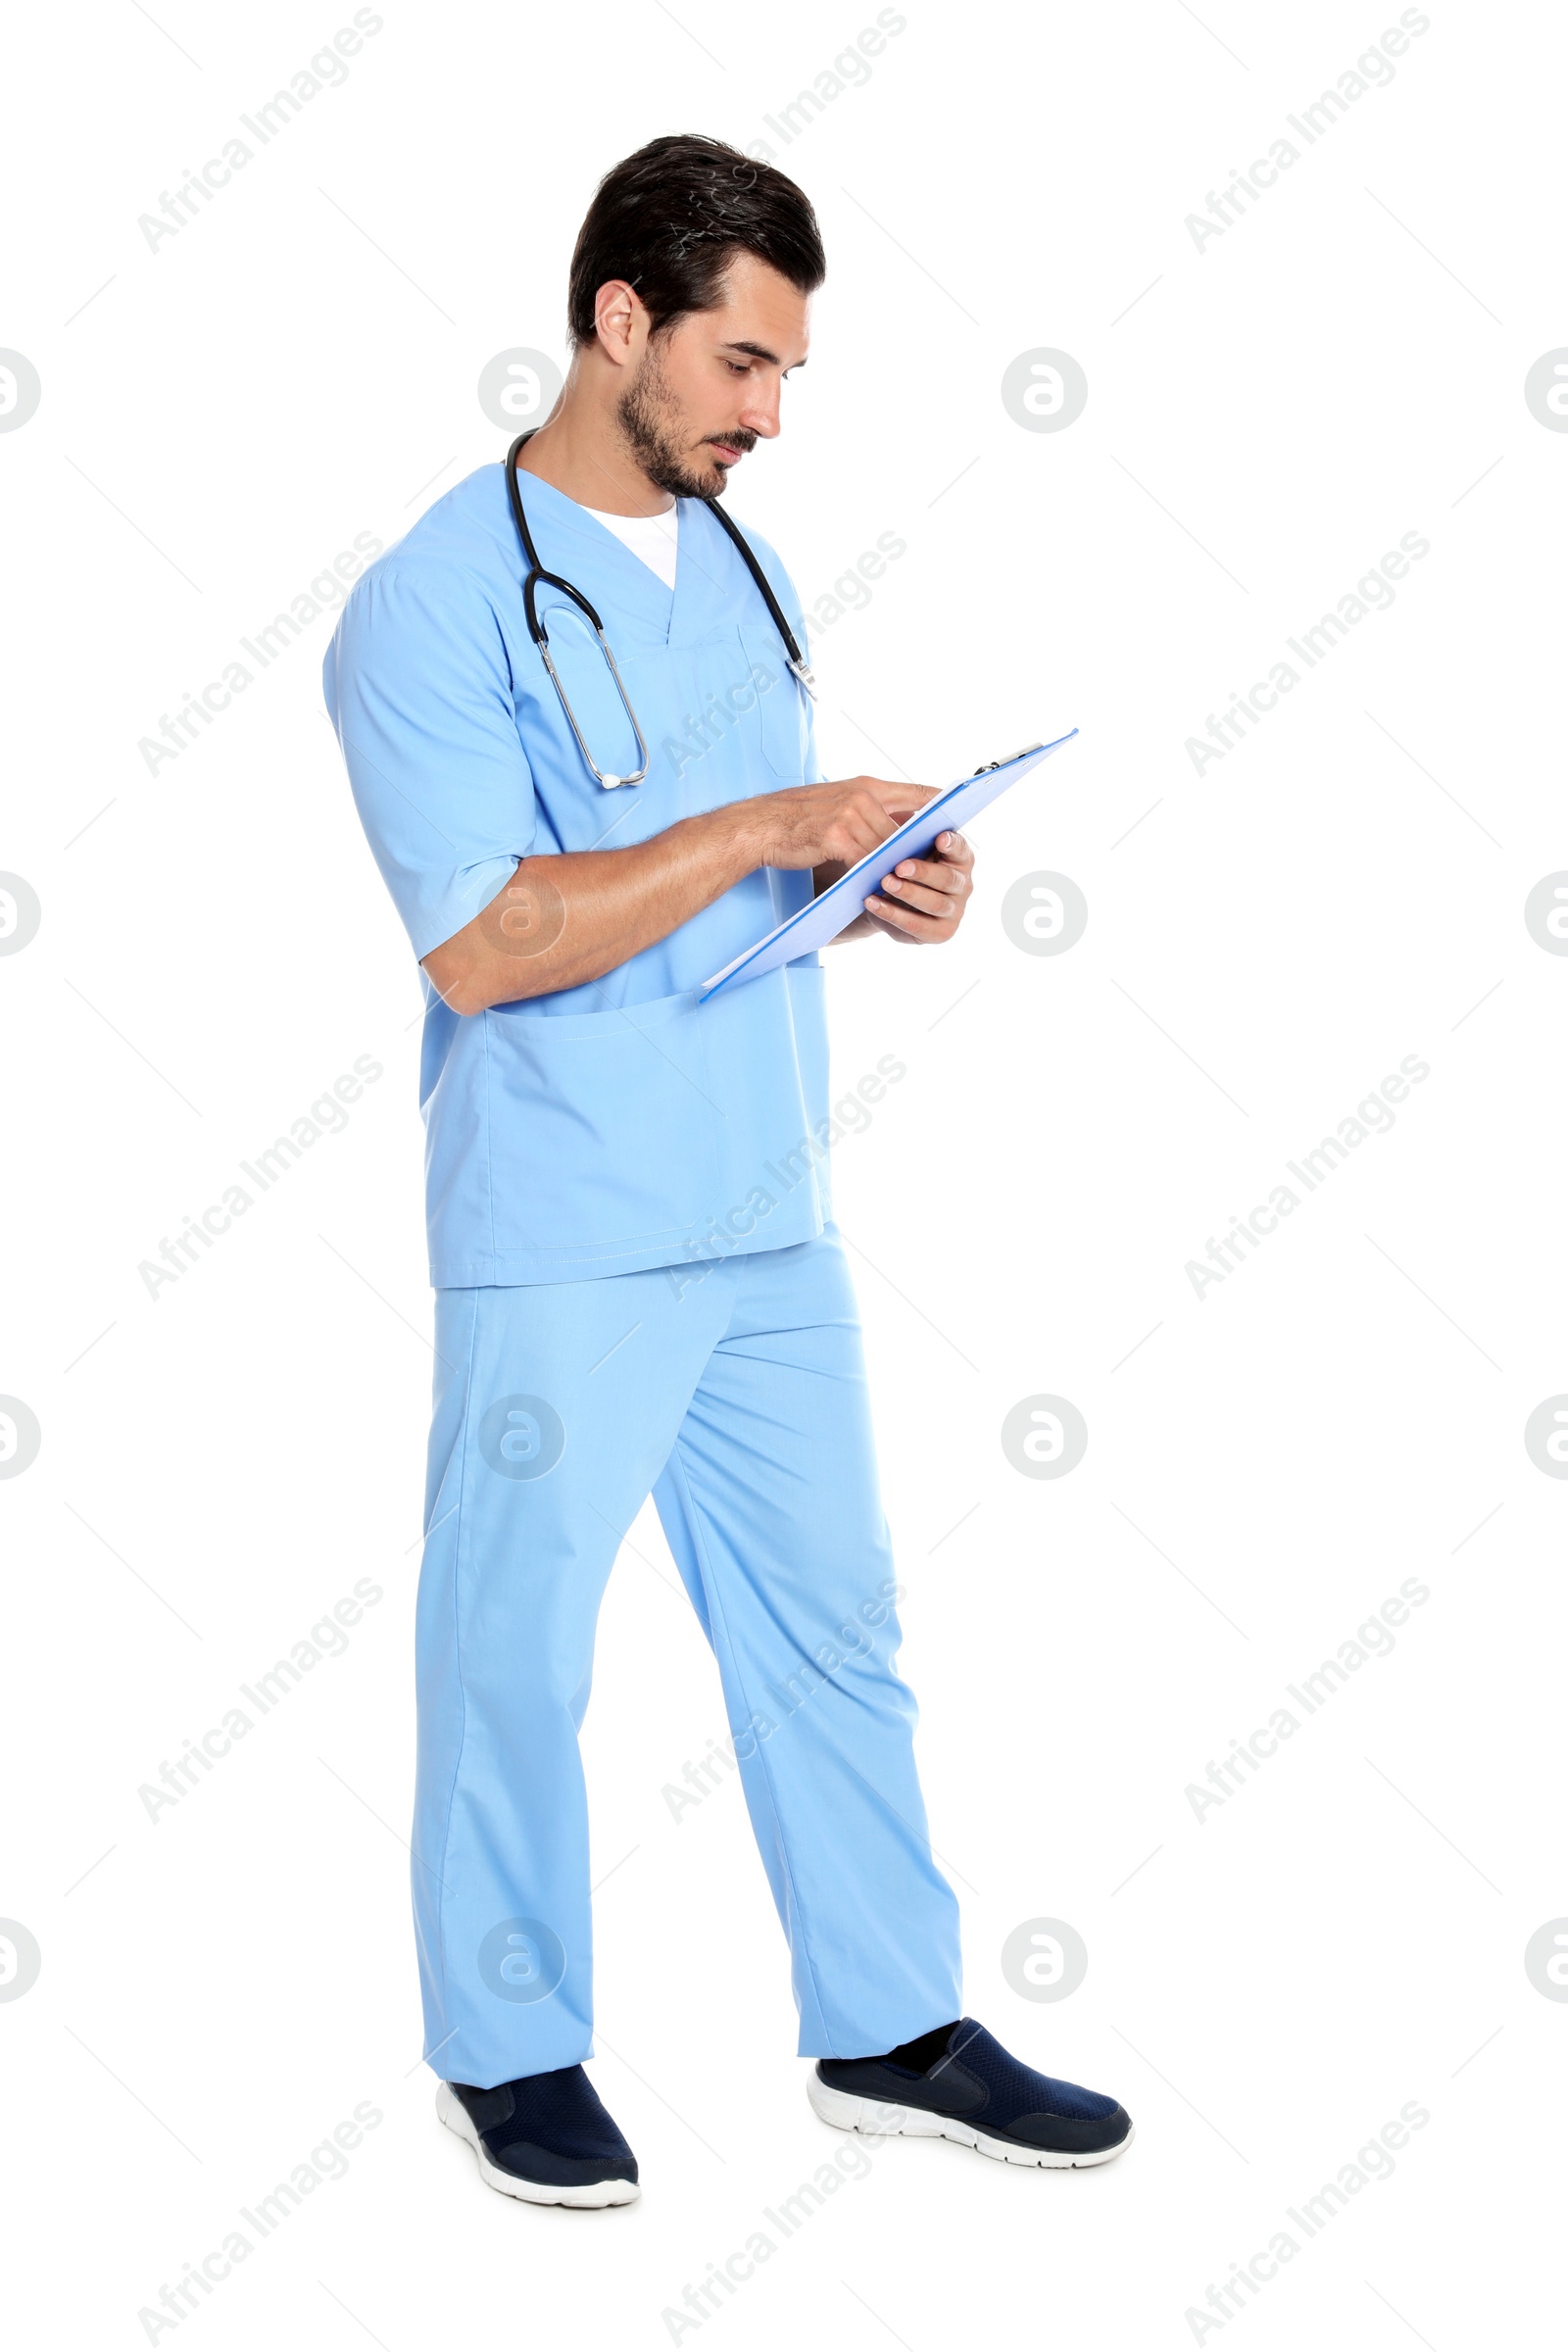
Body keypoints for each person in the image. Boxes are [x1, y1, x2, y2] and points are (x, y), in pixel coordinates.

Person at [323, 130, 1131, 2208]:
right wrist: (776, 831)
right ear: (618, 322)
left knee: (829, 1630)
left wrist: (869, 882)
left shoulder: (734, 560)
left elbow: (704, 856)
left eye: (782, 375)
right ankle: (507, 2052)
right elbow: (487, 939)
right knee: (510, 1649)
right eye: (743, 365)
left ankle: (887, 2025)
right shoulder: (426, 602)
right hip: (565, 1224)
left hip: (764, 1210)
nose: (768, 413)